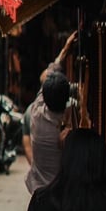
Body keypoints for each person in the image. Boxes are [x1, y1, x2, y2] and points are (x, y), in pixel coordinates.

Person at [22, 30, 77, 175]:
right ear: (66, 99)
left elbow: (46, 76)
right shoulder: (66, 131)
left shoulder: (36, 111)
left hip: (37, 185)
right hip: (59, 186)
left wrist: (65, 49)